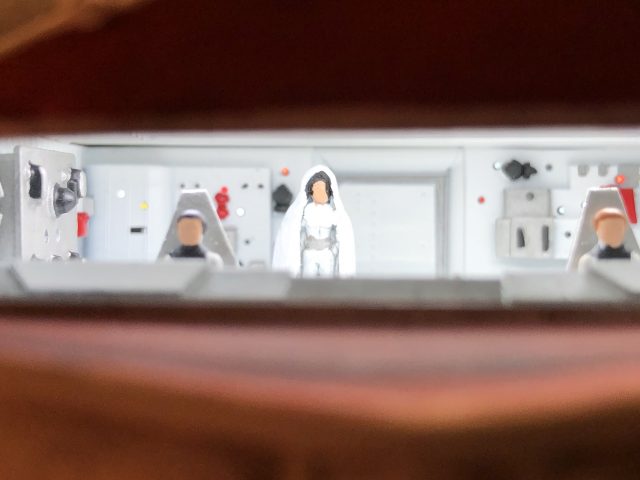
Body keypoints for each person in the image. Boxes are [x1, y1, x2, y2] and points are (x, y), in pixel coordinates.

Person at [273, 165, 355, 278]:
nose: (320, 193)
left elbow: (342, 236)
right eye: (317, 189)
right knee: (308, 281)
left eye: (323, 189)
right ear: (311, 191)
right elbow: (293, 236)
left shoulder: (335, 213)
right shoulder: (301, 212)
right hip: (309, 253)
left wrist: (336, 250)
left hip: (327, 253)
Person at [578, 207, 637, 272]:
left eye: (618, 228)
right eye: (607, 228)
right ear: (597, 230)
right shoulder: (587, 261)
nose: (613, 232)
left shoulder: (634, 259)